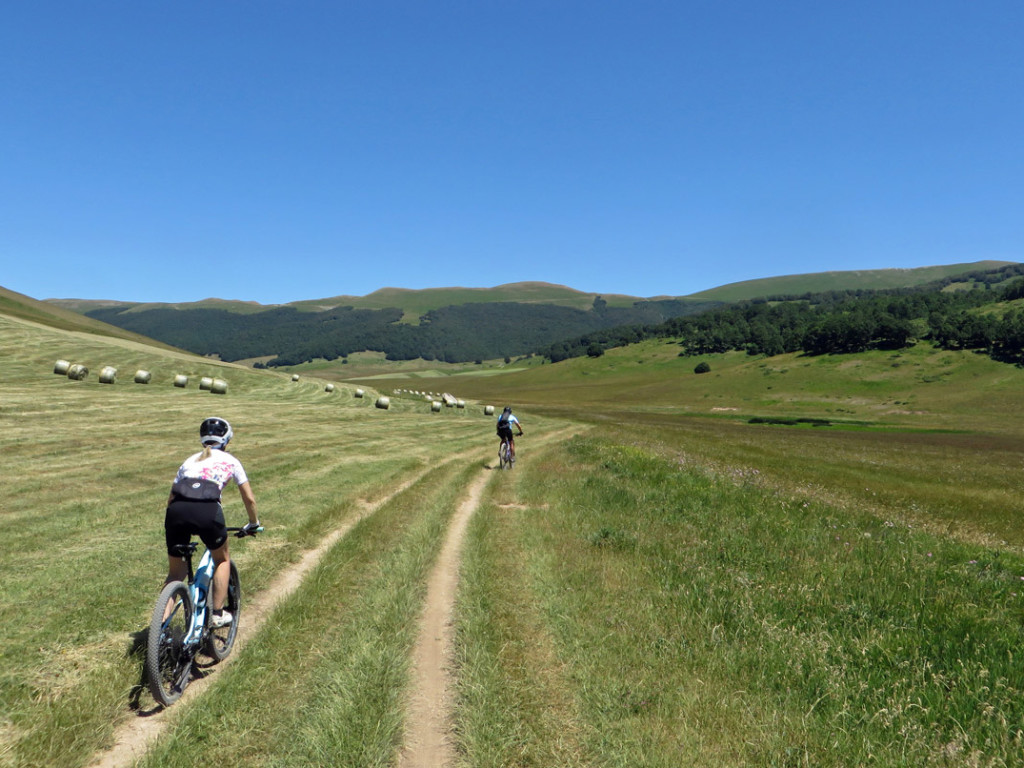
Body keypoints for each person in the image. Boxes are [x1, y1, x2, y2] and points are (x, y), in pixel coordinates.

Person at [164, 417, 260, 628]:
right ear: (226, 440)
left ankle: (160, 629)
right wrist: (253, 523)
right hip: (207, 511)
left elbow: (171, 498)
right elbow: (249, 499)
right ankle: (217, 613)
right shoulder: (231, 461)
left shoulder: (190, 460)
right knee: (222, 559)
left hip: (176, 513)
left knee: (175, 573)